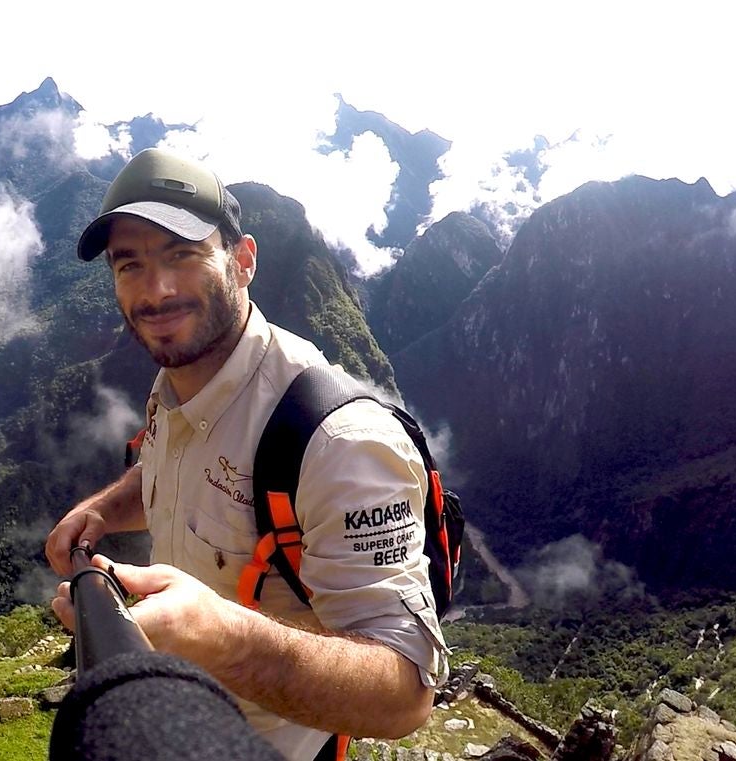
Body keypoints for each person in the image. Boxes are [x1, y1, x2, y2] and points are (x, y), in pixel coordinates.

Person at [46, 148, 449, 759]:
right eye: (129, 265)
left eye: (182, 255)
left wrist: (221, 637)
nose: (156, 291)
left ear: (242, 261)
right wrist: (103, 510)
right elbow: (170, 467)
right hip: (169, 726)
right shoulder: (175, 382)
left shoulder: (340, 442)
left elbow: (404, 694)